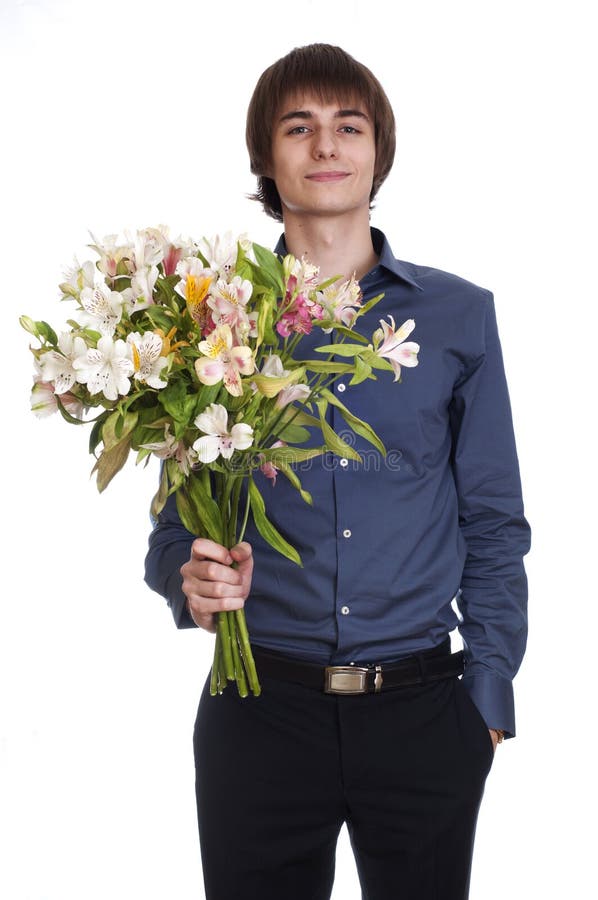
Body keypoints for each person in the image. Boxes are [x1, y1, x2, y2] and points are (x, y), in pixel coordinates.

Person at [144, 43, 531, 900]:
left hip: (425, 711)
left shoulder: (458, 316)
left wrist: (487, 700)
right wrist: (188, 578)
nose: (326, 146)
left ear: (377, 153)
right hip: (258, 708)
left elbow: (495, 519)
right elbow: (172, 527)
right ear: (266, 158)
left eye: (347, 126)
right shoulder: (212, 324)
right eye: (299, 126)